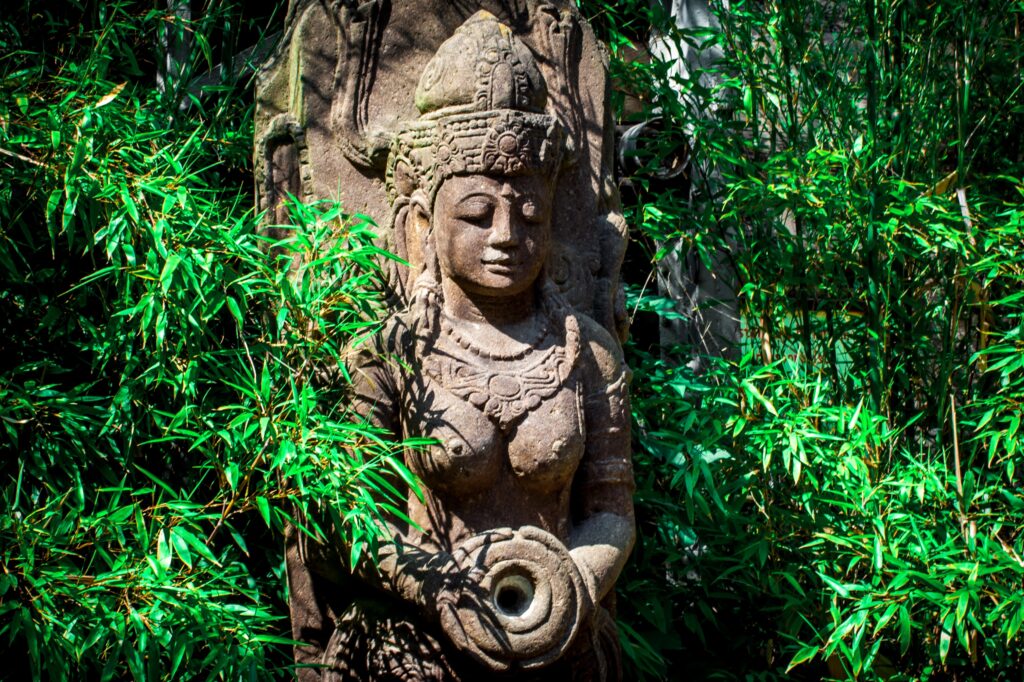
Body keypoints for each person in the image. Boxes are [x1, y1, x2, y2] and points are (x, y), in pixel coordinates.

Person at [287, 12, 634, 681]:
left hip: (561, 637)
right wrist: (440, 587)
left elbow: (613, 512)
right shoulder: (386, 355)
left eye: (530, 215)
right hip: (414, 644)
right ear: (423, 221)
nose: (507, 234)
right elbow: (348, 520)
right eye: (477, 215)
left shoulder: (586, 353)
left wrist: (570, 585)